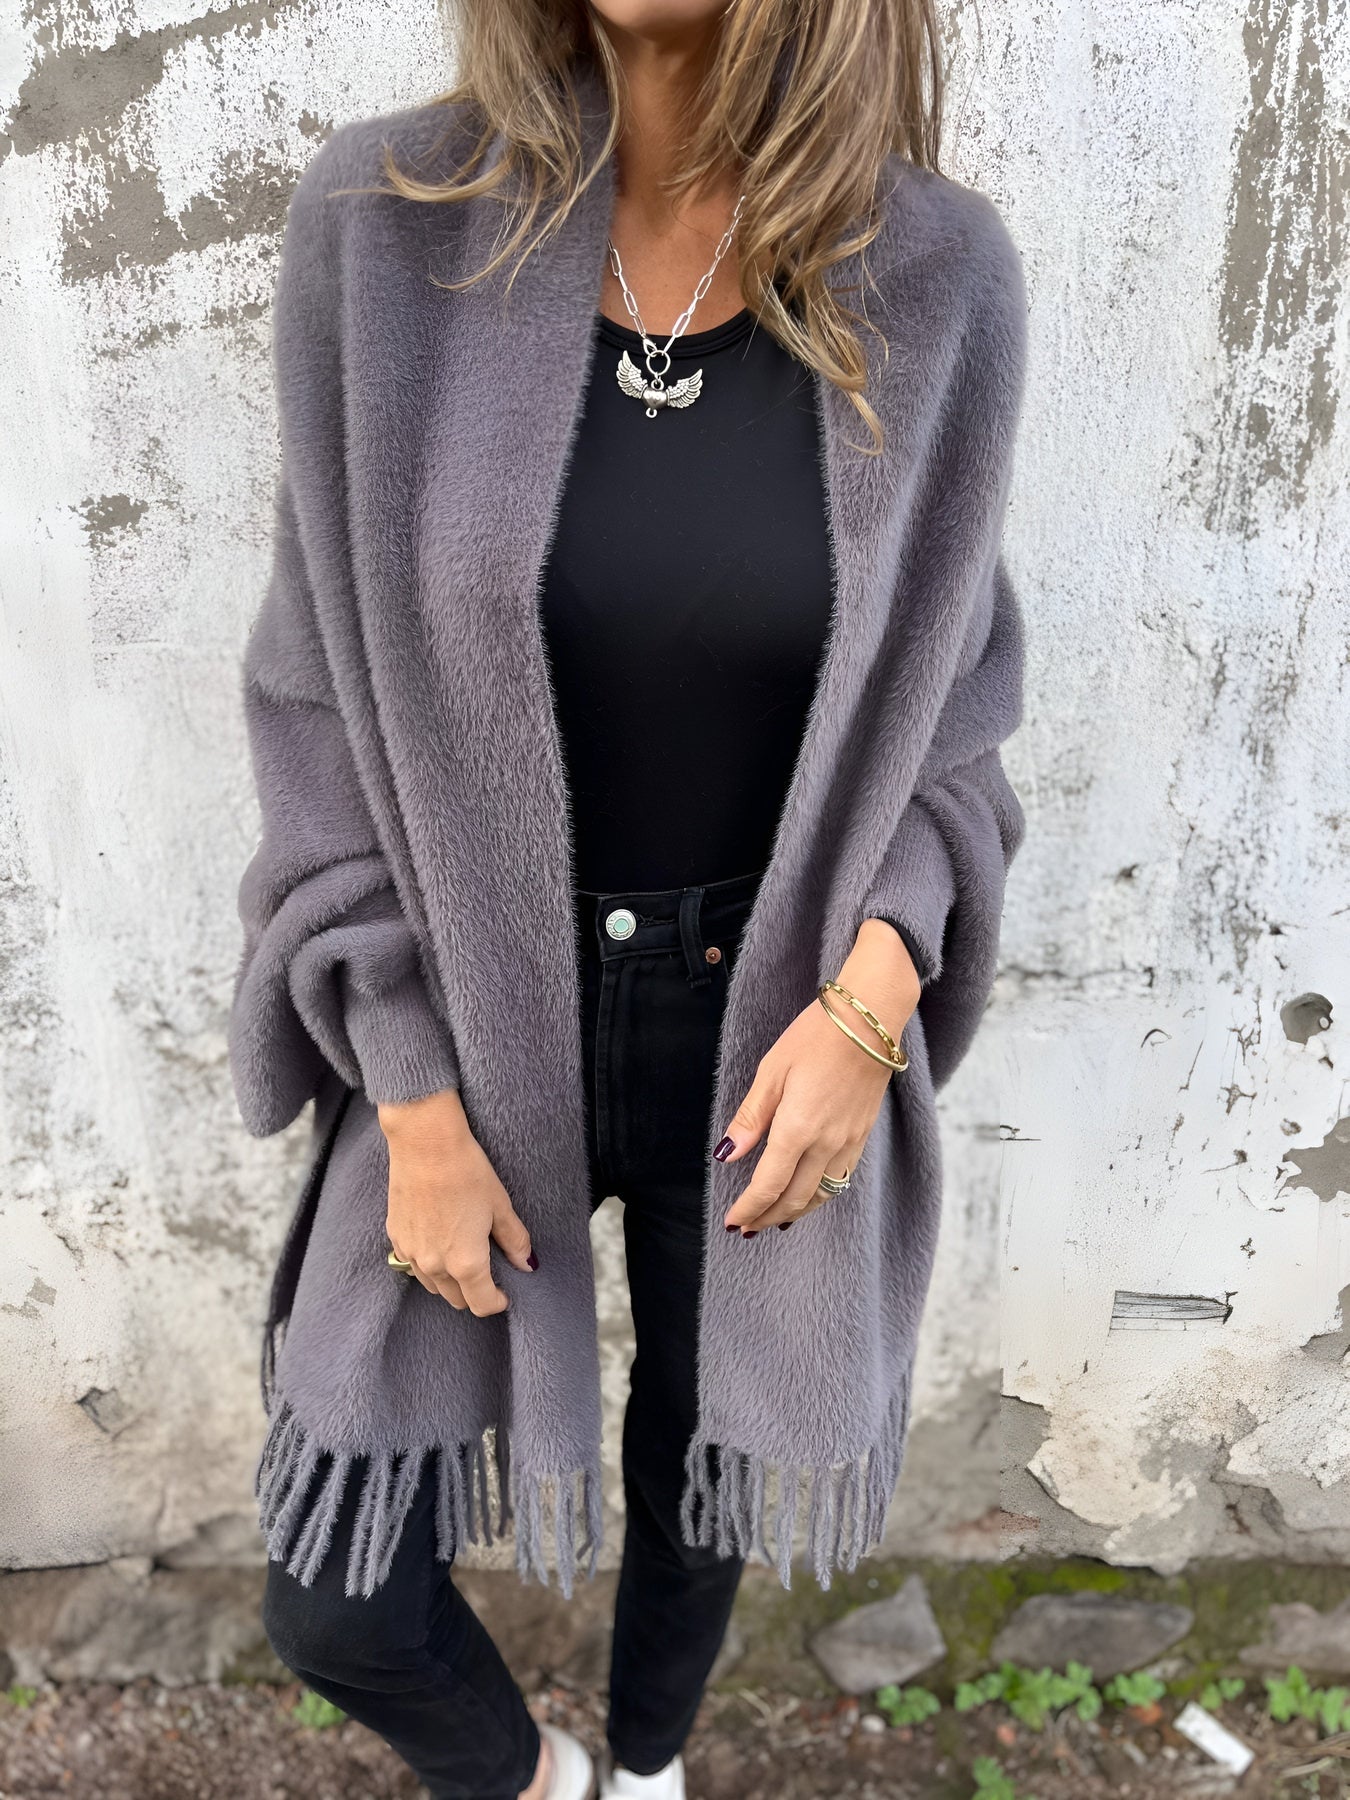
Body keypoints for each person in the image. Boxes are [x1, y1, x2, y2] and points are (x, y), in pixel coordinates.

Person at [226, 1, 1030, 1795]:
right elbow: (313, 697)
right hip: (471, 1016)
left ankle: (650, 1771)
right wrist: (406, 1090)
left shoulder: (934, 277)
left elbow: (950, 725)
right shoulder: (387, 227)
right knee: (336, 1603)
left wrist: (866, 1010)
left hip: (772, 1013)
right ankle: (546, 1784)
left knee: (701, 1472)